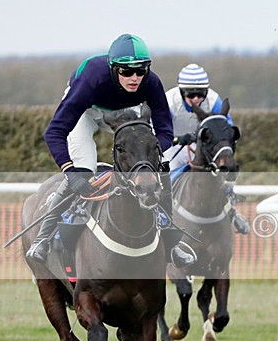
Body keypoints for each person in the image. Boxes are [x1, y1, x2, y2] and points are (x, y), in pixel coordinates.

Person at [25, 33, 196, 267]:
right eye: (126, 72)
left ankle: (171, 241)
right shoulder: (91, 81)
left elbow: (165, 131)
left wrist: (151, 157)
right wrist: (70, 171)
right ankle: (44, 237)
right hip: (85, 112)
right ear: (114, 69)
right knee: (84, 169)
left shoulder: (152, 83)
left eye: (141, 70)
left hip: (122, 115)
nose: (135, 78)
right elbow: (54, 133)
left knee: (157, 166)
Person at [163, 63, 250, 234]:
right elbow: (156, 132)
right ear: (181, 91)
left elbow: (227, 129)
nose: (196, 98)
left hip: (202, 144)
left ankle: (232, 211)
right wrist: (177, 139)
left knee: (227, 165)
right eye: (191, 94)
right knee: (165, 172)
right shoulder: (168, 101)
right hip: (172, 146)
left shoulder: (214, 100)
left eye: (200, 93)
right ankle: (163, 215)